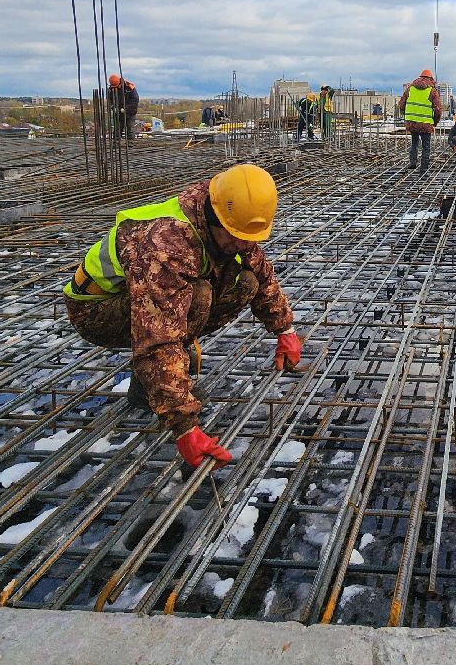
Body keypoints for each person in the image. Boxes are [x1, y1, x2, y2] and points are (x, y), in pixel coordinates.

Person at [62, 164, 303, 469]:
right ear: (215, 218)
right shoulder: (165, 244)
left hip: (139, 300)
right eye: (235, 237)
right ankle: (149, 386)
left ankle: (164, 374)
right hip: (95, 310)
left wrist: (284, 329)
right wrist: (184, 426)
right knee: (198, 296)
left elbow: (260, 270)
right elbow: (157, 336)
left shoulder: (225, 213)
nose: (243, 244)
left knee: (245, 282)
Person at [399, 68, 443, 171]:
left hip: (412, 122)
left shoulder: (410, 88)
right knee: (426, 146)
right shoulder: (432, 91)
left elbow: (401, 104)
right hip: (426, 124)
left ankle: (413, 162)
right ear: (430, 79)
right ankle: (424, 167)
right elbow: (438, 110)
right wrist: (435, 122)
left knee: (414, 143)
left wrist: (407, 116)